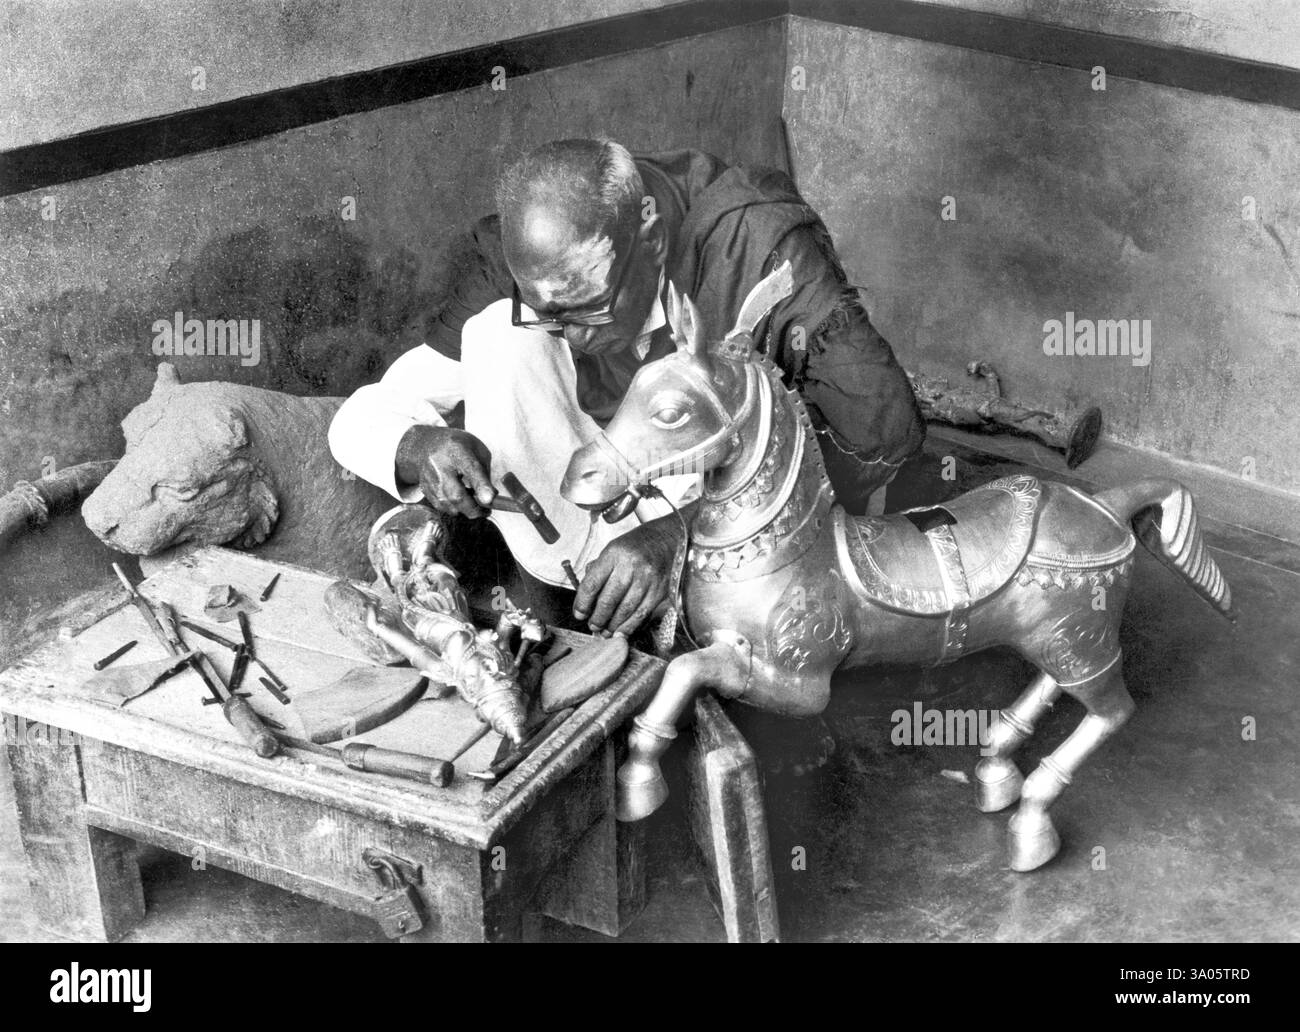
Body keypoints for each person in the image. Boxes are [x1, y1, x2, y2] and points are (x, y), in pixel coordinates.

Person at [330, 139, 923, 638]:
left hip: (744, 531)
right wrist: (419, 446)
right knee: (499, 331)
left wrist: (679, 534)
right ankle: (561, 581)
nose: (572, 337)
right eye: (549, 313)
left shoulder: (760, 251)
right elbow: (370, 413)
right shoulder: (528, 268)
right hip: (583, 522)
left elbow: (881, 430)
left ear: (654, 242)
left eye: (589, 311)